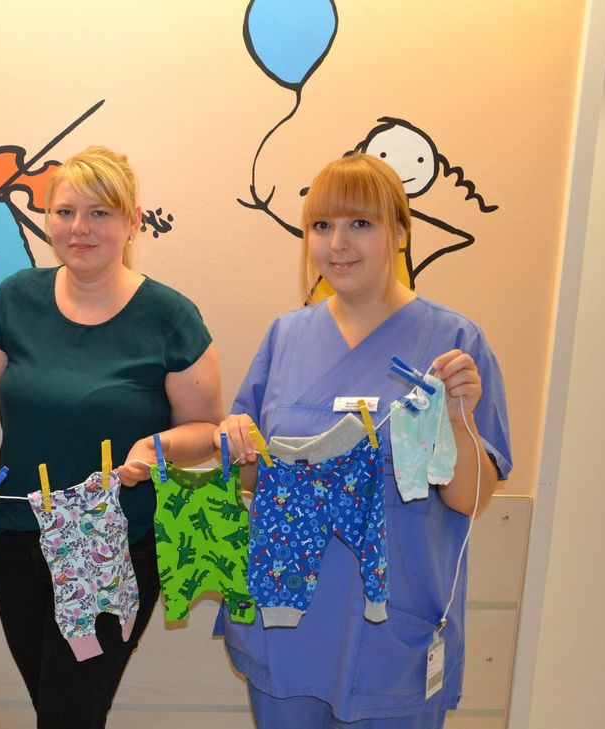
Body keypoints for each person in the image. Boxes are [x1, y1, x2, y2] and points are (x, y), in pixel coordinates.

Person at [0, 146, 222, 728]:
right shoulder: (15, 299)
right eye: (65, 212)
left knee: (68, 714)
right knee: (57, 708)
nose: (79, 228)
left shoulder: (170, 316)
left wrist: (159, 449)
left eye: (100, 213)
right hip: (20, 537)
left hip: (114, 544)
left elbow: (205, 429)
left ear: (132, 221)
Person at [217, 153, 512, 728]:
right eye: (321, 225)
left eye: (360, 223)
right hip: (288, 628)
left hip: (395, 630)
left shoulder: (453, 341)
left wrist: (459, 418)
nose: (338, 244)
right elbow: (256, 481)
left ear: (400, 232)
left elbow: (470, 501)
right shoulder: (285, 337)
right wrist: (239, 446)